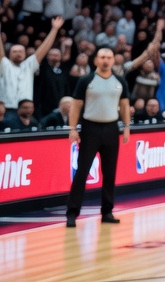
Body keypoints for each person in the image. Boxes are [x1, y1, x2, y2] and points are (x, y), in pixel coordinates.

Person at [66, 46, 132, 227]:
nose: (106, 60)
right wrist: (73, 128)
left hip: (112, 128)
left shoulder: (120, 81)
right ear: (96, 60)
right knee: (82, 172)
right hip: (90, 128)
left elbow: (125, 105)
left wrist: (127, 126)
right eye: (102, 57)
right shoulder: (86, 80)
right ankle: (72, 213)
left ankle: (107, 212)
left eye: (109, 57)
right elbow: (76, 106)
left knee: (109, 173)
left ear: (113, 60)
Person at [1, 16, 63, 109]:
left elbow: (44, 49)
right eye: (15, 51)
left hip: (26, 110)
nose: (18, 53)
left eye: (21, 51)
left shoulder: (29, 65)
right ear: (9, 55)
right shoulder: (5, 64)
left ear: (25, 54)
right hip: (7, 109)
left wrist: (54, 29)